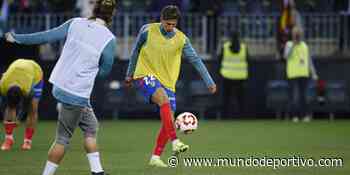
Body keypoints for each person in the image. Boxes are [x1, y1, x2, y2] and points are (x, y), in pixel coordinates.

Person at [4, 0, 117, 174]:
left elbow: (45, 36)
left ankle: (97, 172)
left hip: (61, 86)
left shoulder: (75, 23)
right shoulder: (109, 39)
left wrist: (17, 37)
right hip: (76, 93)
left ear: (94, 10)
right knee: (62, 139)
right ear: (112, 15)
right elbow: (105, 70)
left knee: (91, 126)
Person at [125, 5, 217, 167]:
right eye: (168, 24)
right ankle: (175, 141)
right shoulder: (147, 30)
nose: (170, 28)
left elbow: (195, 60)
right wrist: (129, 73)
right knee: (164, 100)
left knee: (169, 118)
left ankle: (155, 157)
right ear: (161, 20)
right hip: (145, 74)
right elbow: (136, 51)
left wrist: (208, 81)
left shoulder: (181, 39)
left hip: (168, 82)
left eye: (173, 25)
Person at [0, 59, 43, 151]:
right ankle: (8, 139)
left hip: (35, 73)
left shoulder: (27, 88)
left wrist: (19, 118)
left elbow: (25, 106)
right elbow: (5, 104)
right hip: (16, 67)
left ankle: (27, 141)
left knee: (32, 108)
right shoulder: (3, 85)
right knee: (10, 107)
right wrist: (8, 118)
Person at [284, 26, 318, 123]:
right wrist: (293, 46)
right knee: (294, 96)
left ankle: (305, 115)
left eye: (299, 34)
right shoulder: (289, 44)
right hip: (293, 74)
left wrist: (314, 73)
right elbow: (286, 56)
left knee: (304, 96)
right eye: (296, 34)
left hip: (303, 74)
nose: (298, 36)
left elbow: (309, 60)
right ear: (293, 35)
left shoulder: (305, 46)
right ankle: (294, 116)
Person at [218, 31, 248, 117]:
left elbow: (219, 59)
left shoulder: (225, 47)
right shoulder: (243, 47)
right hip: (241, 76)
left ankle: (225, 116)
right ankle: (242, 116)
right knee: (241, 99)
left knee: (226, 98)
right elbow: (248, 59)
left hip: (227, 75)